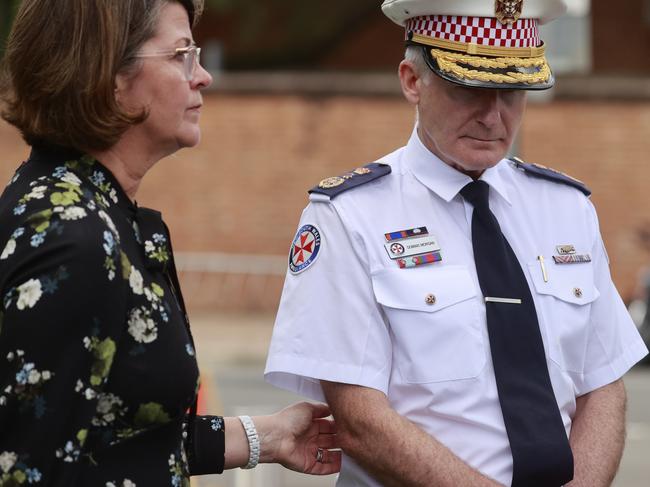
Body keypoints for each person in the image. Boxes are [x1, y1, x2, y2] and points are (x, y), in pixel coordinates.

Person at [265, 0, 649, 486]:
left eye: (512, 91)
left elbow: (603, 382)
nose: (494, 115)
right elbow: (360, 419)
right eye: (470, 87)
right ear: (411, 80)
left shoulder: (566, 208)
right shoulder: (349, 216)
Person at [0, 0, 340, 485]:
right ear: (110, 74)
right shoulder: (73, 239)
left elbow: (117, 438)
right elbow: (30, 468)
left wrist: (268, 436)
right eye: (182, 54)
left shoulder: (84, 208)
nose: (203, 76)